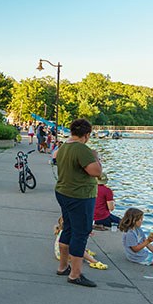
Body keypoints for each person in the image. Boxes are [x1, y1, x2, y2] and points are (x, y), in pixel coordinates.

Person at [54, 118, 103, 288]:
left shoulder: (64, 147)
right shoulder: (82, 149)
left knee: (68, 228)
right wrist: (96, 158)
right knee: (80, 233)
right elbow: (96, 171)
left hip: (63, 192)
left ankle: (63, 267)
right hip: (80, 195)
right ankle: (75, 274)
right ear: (87, 134)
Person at [120, 208, 153, 273]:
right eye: (140, 219)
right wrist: (147, 241)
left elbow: (148, 245)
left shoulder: (138, 229)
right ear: (134, 220)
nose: (142, 221)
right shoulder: (130, 233)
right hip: (137, 257)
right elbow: (135, 249)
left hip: (140, 255)